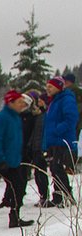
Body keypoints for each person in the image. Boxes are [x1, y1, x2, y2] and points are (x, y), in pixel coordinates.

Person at [0, 90, 34, 229]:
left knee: (19, 188)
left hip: (13, 161)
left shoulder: (16, 117)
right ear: (11, 103)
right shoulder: (1, 118)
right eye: (20, 102)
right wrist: (0, 159)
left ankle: (14, 218)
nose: (22, 104)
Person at [42, 76, 79, 206]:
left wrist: (58, 130)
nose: (48, 89)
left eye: (51, 86)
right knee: (54, 169)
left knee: (57, 168)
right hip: (54, 140)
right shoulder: (54, 101)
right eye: (47, 86)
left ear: (58, 87)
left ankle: (67, 194)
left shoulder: (66, 99)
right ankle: (58, 197)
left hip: (62, 140)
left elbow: (71, 118)